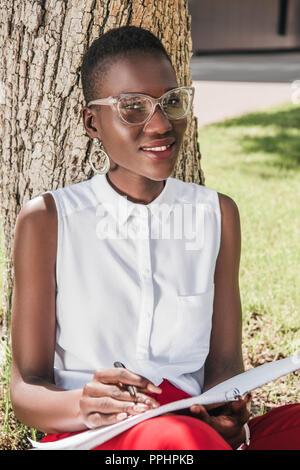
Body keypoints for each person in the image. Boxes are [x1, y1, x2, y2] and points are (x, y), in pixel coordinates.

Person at [10, 26, 299, 451]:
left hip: (191, 423)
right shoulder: (49, 219)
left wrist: (228, 415)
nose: (162, 124)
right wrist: (83, 406)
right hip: (96, 435)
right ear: (93, 122)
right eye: (133, 108)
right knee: (179, 440)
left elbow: (223, 366)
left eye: (170, 103)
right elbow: (25, 390)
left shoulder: (216, 213)